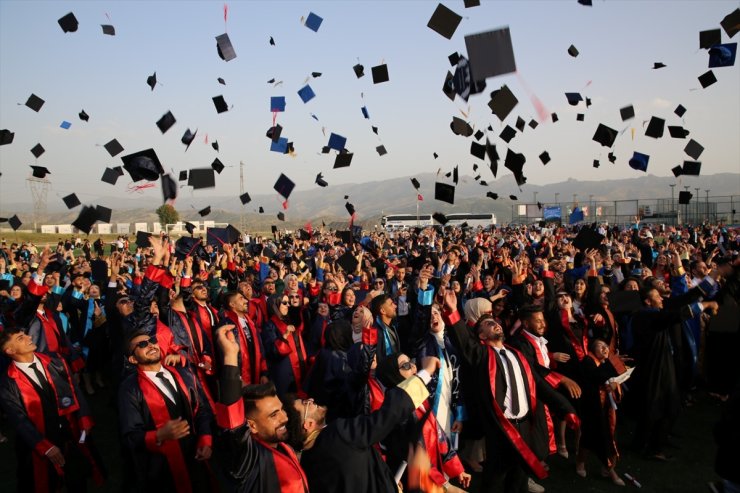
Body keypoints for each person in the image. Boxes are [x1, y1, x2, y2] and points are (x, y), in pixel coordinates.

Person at [443, 290, 579, 493]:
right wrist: (453, 311)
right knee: (495, 480)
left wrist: (565, 408)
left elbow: (539, 385)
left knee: (519, 479)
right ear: (481, 335)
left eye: (495, 322)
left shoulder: (518, 353)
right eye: (488, 324)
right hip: (500, 429)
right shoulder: (482, 356)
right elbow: (464, 342)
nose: (495, 324)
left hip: (525, 426)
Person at [290, 346, 445, 492]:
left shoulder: (307, 466)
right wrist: (426, 373)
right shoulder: (338, 434)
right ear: (308, 424)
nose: (310, 400)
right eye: (305, 404)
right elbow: (387, 415)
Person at [0, 327, 103, 492]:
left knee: (78, 478)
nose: (28, 337)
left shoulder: (55, 360)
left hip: (71, 433)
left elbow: (75, 390)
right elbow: (18, 420)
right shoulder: (7, 383)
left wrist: (84, 416)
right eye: (20, 338)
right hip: (41, 443)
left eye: (25, 333)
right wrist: (44, 446)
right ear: (10, 350)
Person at [213, 325, 309, 492]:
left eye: (281, 410)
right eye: (273, 415)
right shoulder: (247, 461)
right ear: (251, 425)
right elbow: (232, 427)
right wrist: (230, 357)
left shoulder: (282, 445)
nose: (284, 418)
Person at [118, 330, 214, 493]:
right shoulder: (129, 389)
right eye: (142, 344)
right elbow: (130, 436)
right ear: (133, 359)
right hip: (162, 469)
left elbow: (202, 410)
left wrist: (205, 439)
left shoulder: (184, 374)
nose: (150, 345)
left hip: (195, 457)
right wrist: (159, 435)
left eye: (152, 340)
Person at [575, 339, 625, 486]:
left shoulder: (604, 363)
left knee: (602, 437)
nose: (605, 348)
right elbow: (596, 377)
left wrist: (616, 384)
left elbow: (614, 379)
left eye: (606, 346)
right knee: (594, 437)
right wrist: (614, 364)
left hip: (606, 407)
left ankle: (591, 464)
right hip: (592, 407)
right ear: (592, 348)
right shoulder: (587, 361)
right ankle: (610, 471)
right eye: (600, 346)